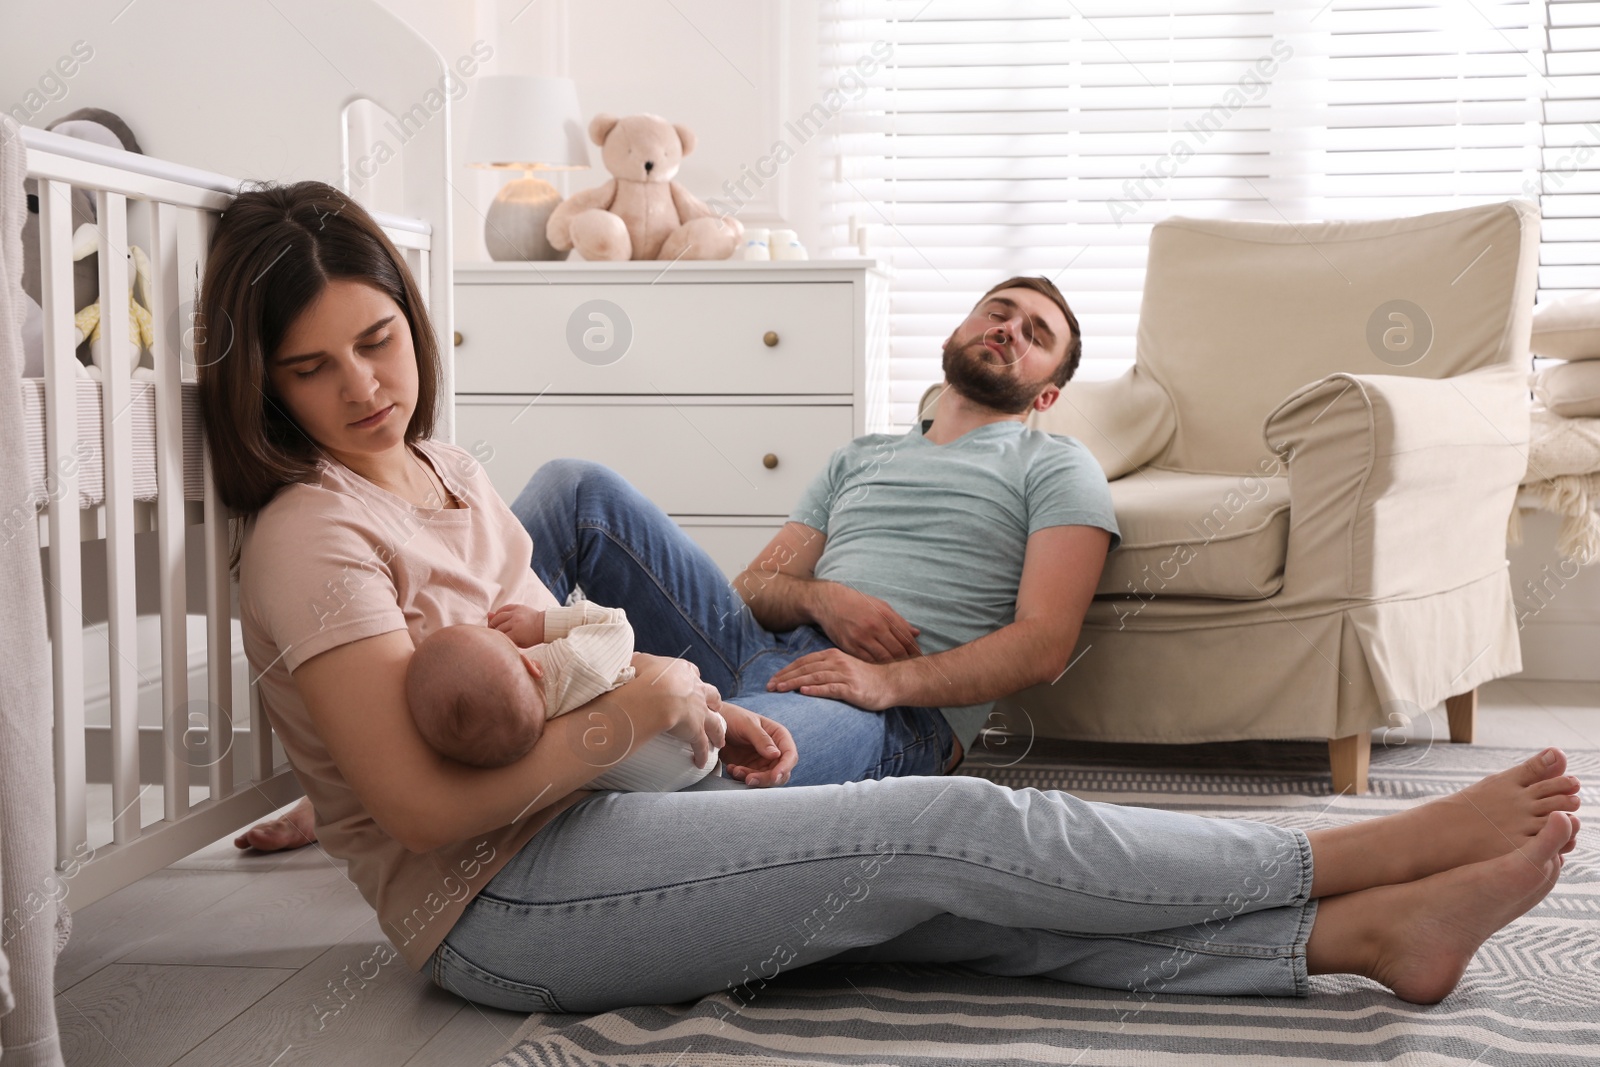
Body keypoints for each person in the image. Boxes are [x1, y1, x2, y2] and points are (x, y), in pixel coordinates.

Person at [206, 180, 1581, 1016]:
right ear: (264, 387)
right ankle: (1349, 856)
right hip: (501, 901)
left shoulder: (442, 466)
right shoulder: (309, 538)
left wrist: (674, 708)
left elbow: (1038, 639)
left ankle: (1354, 933)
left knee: (915, 892)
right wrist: (642, 703)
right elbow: (431, 809)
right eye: (314, 370)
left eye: (378, 339)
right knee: (943, 830)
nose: (366, 385)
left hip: (638, 785)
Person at [238, 269, 1116, 847]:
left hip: (894, 711)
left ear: (1046, 391)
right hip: (763, 649)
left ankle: (472, 779)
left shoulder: (1058, 465)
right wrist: (827, 595)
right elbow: (759, 587)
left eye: (1035, 331)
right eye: (998, 309)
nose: (1008, 327)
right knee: (578, 485)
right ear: (962, 325)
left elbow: (1043, 642)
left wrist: (887, 682)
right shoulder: (864, 456)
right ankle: (436, 729)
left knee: (716, 793)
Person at [406, 600, 723, 791]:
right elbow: (616, 625)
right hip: (698, 741)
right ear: (532, 664)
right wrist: (540, 623)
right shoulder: (568, 664)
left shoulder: (517, 745)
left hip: (666, 779)